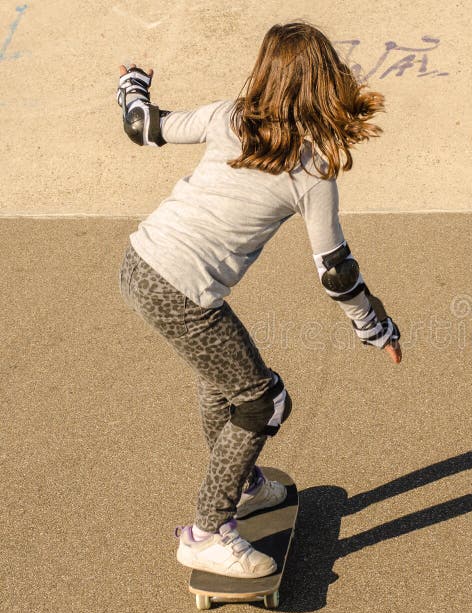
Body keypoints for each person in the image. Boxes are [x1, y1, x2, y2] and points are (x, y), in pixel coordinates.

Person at [116, 22, 402, 579]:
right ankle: (206, 530)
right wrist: (376, 327)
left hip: (139, 261)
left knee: (224, 382)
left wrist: (131, 84)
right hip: (181, 289)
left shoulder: (228, 114)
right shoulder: (312, 167)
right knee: (264, 401)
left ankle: (244, 487)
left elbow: (142, 126)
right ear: (327, 80)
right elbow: (336, 273)